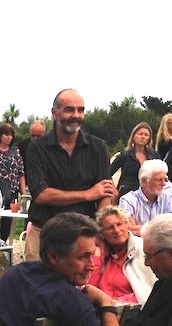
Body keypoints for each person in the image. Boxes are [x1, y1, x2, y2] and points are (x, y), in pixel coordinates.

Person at [23, 89, 116, 261]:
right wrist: (87, 194)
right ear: (54, 113)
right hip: (44, 234)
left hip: (84, 236)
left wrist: (100, 234)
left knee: (84, 280)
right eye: (69, 110)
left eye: (81, 110)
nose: (76, 115)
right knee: (37, 279)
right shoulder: (37, 148)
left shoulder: (98, 147)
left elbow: (105, 194)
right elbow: (41, 195)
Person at [89, 205, 157, 304]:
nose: (116, 230)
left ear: (126, 224)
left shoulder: (143, 249)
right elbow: (90, 288)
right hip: (103, 309)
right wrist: (97, 255)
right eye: (110, 227)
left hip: (131, 310)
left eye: (119, 224)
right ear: (102, 233)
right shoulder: (104, 254)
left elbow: (147, 292)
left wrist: (112, 303)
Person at [118, 159, 172, 234]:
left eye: (165, 179)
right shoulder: (127, 200)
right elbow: (129, 230)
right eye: (159, 180)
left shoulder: (168, 198)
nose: (164, 183)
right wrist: (162, 227)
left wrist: (140, 228)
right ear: (144, 181)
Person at [110, 122, 160, 196]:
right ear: (133, 136)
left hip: (149, 195)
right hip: (127, 194)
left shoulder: (154, 156)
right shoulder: (124, 155)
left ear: (149, 139)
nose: (143, 137)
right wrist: (114, 191)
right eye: (140, 134)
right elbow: (107, 173)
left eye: (146, 135)